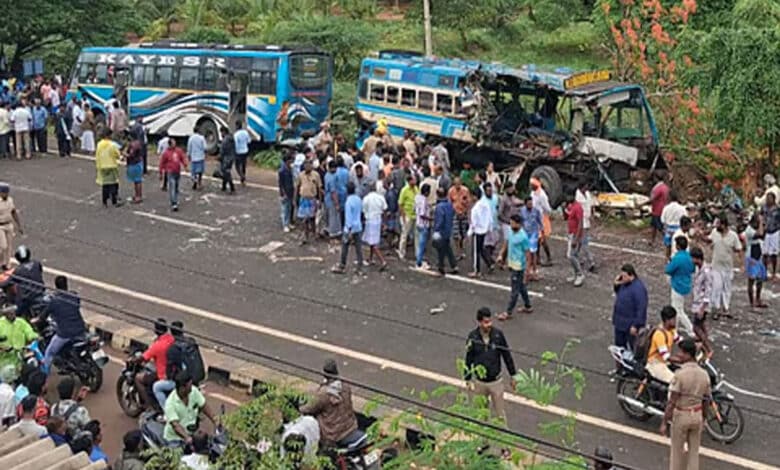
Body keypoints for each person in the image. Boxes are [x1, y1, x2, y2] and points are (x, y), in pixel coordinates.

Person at [661, 338, 710, 470]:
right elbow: (706, 400)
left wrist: (665, 422)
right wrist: (704, 418)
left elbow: (672, 401)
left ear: (688, 354)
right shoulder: (704, 374)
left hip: (682, 415)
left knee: (677, 453)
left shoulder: (680, 375)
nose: (679, 355)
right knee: (694, 453)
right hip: (697, 415)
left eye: (681, 352)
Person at [464, 308, 517, 422]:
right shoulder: (473, 337)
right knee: (481, 415)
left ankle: (501, 438)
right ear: (479, 322)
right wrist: (467, 378)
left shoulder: (498, 335)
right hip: (480, 382)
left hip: (496, 382)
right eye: (485, 322)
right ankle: (483, 439)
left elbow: (506, 355)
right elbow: (468, 358)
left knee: (500, 416)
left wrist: (513, 375)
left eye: (490, 321)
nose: (489, 325)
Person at [299, 359, 358, 448]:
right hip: (351, 426)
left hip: (333, 434)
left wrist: (299, 408)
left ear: (325, 374)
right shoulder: (346, 386)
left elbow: (309, 408)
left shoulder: (324, 394)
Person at [43, 276, 86, 372]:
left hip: (65, 333)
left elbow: (43, 315)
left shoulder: (54, 301)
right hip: (80, 329)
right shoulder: (74, 296)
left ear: (56, 286)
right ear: (66, 284)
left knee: (49, 352)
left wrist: (36, 319)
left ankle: (44, 377)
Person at [163, 370, 216, 445]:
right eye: (189, 385)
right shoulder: (170, 403)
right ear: (182, 388)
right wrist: (187, 437)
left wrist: (215, 420)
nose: (191, 387)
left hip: (192, 434)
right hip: (176, 439)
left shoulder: (193, 391)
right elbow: (175, 425)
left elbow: (204, 406)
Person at [133, 319, 174, 410]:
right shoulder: (172, 339)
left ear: (156, 330)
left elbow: (142, 358)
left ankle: (150, 406)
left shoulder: (157, 345)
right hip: (173, 372)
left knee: (138, 378)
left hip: (163, 375)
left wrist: (133, 360)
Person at [497, 214, 532, 320]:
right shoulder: (511, 232)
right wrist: (501, 255)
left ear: (518, 224)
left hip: (518, 267)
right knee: (521, 287)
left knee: (515, 290)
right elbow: (506, 244)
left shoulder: (523, 237)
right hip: (511, 264)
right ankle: (528, 306)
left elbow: (528, 254)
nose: (511, 225)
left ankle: (508, 312)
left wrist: (528, 270)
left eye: (513, 223)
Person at [707, 217, 742, 319]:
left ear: (724, 225)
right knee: (716, 287)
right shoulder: (715, 232)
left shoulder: (733, 236)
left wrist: (741, 264)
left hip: (727, 266)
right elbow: (709, 240)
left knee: (726, 288)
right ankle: (717, 309)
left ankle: (726, 308)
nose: (717, 226)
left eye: (719, 224)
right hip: (716, 266)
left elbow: (739, 249)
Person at [612, 264, 648, 350]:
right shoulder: (624, 284)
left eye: (624, 276)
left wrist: (636, 325)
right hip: (620, 322)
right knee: (619, 348)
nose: (622, 278)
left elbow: (641, 309)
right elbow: (618, 292)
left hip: (630, 325)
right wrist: (616, 284)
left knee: (634, 348)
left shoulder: (639, 289)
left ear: (631, 276)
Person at [665, 237, 696, 336]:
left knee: (678, 310)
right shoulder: (689, 257)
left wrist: (669, 262)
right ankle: (675, 330)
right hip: (686, 284)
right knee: (677, 307)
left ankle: (690, 329)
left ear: (677, 246)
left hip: (677, 285)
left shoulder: (677, 258)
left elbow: (668, 270)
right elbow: (692, 269)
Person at [332, 183, 364, 275]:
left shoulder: (348, 201)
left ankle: (342, 265)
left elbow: (348, 217)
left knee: (345, 247)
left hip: (349, 228)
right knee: (358, 247)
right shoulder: (358, 199)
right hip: (358, 226)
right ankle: (360, 266)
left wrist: (349, 230)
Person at [646, 306, 681, 384]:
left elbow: (679, 341)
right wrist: (682, 360)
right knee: (676, 382)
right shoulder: (659, 335)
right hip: (655, 364)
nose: (675, 321)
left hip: (664, 363)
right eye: (674, 319)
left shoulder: (671, 330)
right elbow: (666, 356)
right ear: (667, 320)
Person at [0, 305, 37, 375]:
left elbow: (29, 332)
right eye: (10, 313)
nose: (13, 315)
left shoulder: (21, 322)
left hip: (19, 357)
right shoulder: (0, 323)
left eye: (13, 313)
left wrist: (34, 336)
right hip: (4, 360)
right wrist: (2, 347)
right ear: (5, 315)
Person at [689, 247, 714, 357]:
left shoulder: (706, 271)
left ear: (697, 259)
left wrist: (702, 308)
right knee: (702, 325)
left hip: (701, 304)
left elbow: (708, 289)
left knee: (696, 327)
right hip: (697, 301)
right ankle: (704, 346)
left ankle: (708, 348)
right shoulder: (698, 269)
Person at [468, 185, 494, 278]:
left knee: (476, 251)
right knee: (481, 248)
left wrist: (470, 231)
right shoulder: (485, 203)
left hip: (477, 230)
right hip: (484, 229)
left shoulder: (476, 208)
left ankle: (477, 270)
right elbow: (490, 217)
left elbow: (474, 222)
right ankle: (490, 262)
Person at [432, 186, 457, 277]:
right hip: (448, 229)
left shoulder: (439, 207)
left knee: (441, 251)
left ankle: (441, 268)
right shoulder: (449, 205)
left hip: (441, 231)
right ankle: (453, 265)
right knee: (447, 248)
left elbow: (440, 220)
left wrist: (436, 229)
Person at [362, 183, 388, 271]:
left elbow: (364, 211)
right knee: (372, 241)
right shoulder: (380, 197)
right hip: (378, 220)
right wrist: (384, 223)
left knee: (373, 243)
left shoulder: (366, 199)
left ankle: (382, 261)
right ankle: (371, 258)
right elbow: (384, 210)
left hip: (370, 221)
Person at [743, 214, 768, 309]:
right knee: (751, 279)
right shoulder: (749, 230)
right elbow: (760, 234)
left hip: (758, 255)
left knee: (760, 279)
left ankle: (758, 299)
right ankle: (751, 302)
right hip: (751, 256)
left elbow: (763, 234)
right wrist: (761, 223)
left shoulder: (755, 228)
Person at [296, 160, 323, 245]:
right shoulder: (301, 175)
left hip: (312, 199)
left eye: (309, 165)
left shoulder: (316, 175)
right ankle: (305, 236)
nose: (307, 167)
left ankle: (314, 235)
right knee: (303, 220)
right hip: (303, 199)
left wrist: (320, 201)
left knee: (312, 219)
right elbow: (297, 187)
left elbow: (319, 189)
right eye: (306, 165)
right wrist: (295, 199)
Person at [95, 128, 122, 207]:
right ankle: (114, 201)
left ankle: (104, 201)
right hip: (111, 166)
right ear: (109, 135)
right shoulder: (112, 145)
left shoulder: (99, 144)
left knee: (105, 184)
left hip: (102, 166)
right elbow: (117, 154)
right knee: (113, 184)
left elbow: (97, 155)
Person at [159, 138, 188, 212]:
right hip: (170, 171)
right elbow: (162, 163)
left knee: (176, 187)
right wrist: (161, 173)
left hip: (177, 171)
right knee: (172, 187)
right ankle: (174, 203)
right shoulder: (166, 153)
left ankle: (175, 199)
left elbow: (182, 158)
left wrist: (185, 165)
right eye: (173, 143)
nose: (174, 144)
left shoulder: (178, 150)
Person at [0, 184, 23, 269]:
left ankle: (7, 264)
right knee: (3, 245)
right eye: (4, 192)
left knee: (9, 246)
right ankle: (1, 261)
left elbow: (13, 212)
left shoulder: (10, 200)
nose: (6, 194)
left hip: (9, 224)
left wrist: (19, 225)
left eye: (7, 192)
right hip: (0, 226)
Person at [564, 194, 585, 287]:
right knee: (573, 255)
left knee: (571, 255)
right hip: (571, 233)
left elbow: (580, 223)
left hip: (575, 234)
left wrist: (576, 239)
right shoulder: (572, 206)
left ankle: (580, 274)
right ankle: (576, 274)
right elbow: (567, 217)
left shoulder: (578, 208)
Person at [575, 180, 597, 272]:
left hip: (587, 221)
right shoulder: (578, 196)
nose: (587, 188)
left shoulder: (587, 194)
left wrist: (592, 215)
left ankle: (576, 257)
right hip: (581, 222)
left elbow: (591, 206)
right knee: (584, 243)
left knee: (581, 242)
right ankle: (591, 262)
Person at [519, 197, 543, 281]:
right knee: (526, 253)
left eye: (531, 203)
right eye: (529, 204)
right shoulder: (522, 211)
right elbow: (520, 222)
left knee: (533, 253)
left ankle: (534, 271)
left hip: (533, 234)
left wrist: (541, 234)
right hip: (525, 234)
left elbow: (540, 222)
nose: (530, 205)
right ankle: (528, 272)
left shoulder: (536, 211)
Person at [447, 177, 471, 260]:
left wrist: (465, 211)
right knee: (456, 234)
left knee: (463, 234)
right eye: (456, 184)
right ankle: (458, 252)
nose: (457, 186)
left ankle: (462, 248)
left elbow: (469, 202)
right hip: (455, 214)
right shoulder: (451, 191)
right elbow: (449, 203)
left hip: (463, 214)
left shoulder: (465, 190)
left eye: (459, 184)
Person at [397, 175, 419, 260]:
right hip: (407, 215)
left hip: (415, 215)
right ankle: (402, 252)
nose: (415, 181)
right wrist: (403, 216)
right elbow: (400, 204)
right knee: (404, 234)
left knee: (417, 235)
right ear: (409, 181)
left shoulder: (416, 189)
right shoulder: (404, 190)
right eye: (413, 180)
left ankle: (418, 253)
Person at [661, 192, 687, 260]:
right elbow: (685, 218)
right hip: (679, 229)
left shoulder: (666, 208)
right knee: (678, 249)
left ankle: (667, 263)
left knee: (668, 249)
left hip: (669, 229)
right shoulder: (682, 208)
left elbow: (663, 220)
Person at [323, 161, 343, 243]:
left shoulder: (327, 175)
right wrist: (337, 204)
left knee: (329, 217)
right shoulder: (331, 178)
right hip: (332, 201)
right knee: (333, 218)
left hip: (327, 200)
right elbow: (333, 192)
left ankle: (328, 231)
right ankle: (332, 235)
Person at [414, 184, 433, 269]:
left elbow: (415, 209)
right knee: (422, 244)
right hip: (424, 224)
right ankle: (419, 262)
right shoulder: (424, 200)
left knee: (419, 243)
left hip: (418, 222)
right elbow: (422, 214)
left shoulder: (417, 198)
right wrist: (430, 218)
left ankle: (419, 260)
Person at [649, 172, 670, 246]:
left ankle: (668, 241)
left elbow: (652, 198)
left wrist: (641, 203)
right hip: (661, 209)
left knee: (660, 227)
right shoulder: (665, 187)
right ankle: (652, 240)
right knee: (654, 226)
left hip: (657, 210)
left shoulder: (658, 188)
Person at [124, 129, 144, 204]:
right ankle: (138, 195)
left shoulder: (133, 144)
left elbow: (130, 155)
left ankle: (138, 196)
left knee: (137, 181)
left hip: (134, 164)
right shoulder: (138, 143)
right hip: (138, 163)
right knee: (137, 181)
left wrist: (124, 154)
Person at [762, 192, 779, 279]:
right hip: (766, 233)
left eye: (770, 198)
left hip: (775, 232)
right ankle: (764, 272)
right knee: (764, 253)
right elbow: (761, 218)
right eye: (767, 198)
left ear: (774, 199)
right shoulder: (763, 208)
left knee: (774, 254)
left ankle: (773, 272)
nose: (768, 199)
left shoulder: (777, 209)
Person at [278, 155, 295, 233]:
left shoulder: (290, 169)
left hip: (290, 190)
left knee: (289, 208)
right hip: (285, 191)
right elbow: (280, 183)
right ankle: (285, 224)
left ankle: (288, 223)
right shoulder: (282, 171)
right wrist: (282, 193)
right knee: (285, 209)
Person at [218, 126, 235, 194]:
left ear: (224, 132)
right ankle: (224, 186)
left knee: (226, 173)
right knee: (226, 172)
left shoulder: (225, 141)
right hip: (231, 157)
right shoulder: (231, 138)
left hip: (226, 159)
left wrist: (219, 157)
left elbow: (222, 151)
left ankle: (231, 187)